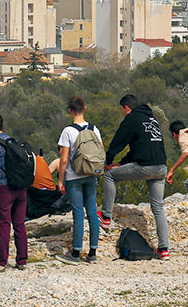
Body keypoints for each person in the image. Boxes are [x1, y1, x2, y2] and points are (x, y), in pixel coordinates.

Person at [98, 95, 170, 260]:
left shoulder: (132, 119)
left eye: (121, 110)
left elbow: (119, 141)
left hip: (145, 166)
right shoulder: (152, 120)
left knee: (110, 175)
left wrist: (108, 160)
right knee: (158, 207)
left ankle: (106, 216)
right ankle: (164, 249)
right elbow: (140, 147)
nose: (122, 113)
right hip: (161, 167)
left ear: (126, 107)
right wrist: (122, 163)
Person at [56, 96, 102, 265]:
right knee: (92, 212)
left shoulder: (68, 131)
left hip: (74, 176)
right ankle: (93, 252)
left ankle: (75, 253)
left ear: (70, 111)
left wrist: (61, 180)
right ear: (85, 108)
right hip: (91, 174)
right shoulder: (94, 129)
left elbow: (63, 159)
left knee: (78, 213)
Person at [0, 112, 28, 270]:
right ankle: (22, 260)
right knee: (20, 223)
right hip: (20, 186)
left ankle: (1, 261)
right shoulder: (11, 140)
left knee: (4, 224)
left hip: (4, 187)